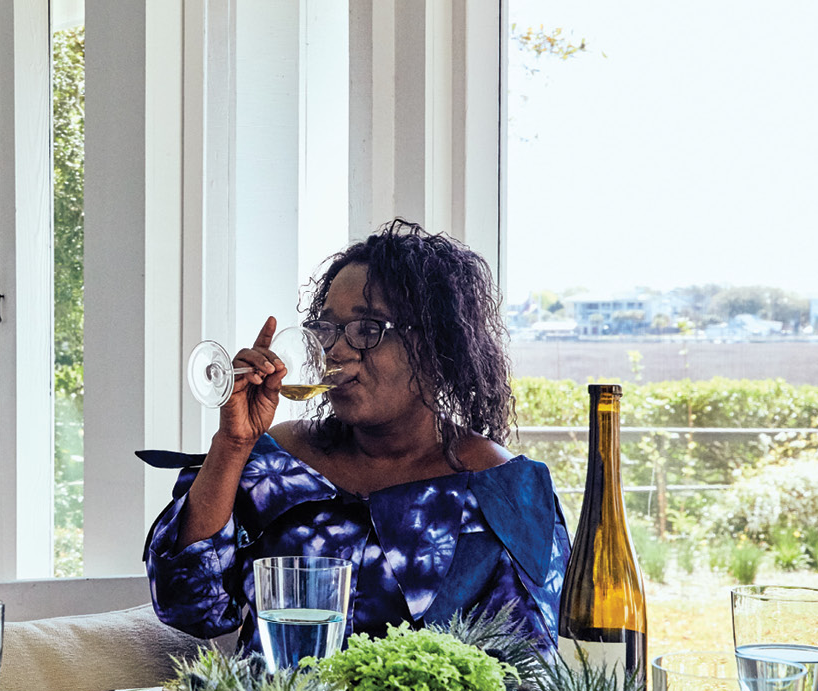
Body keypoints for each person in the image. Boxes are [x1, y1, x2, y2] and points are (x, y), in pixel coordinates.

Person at [143, 219, 570, 657]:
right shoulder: (277, 464)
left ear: (438, 347)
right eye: (327, 328)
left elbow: (524, 670)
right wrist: (232, 445)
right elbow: (188, 609)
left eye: (369, 329)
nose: (336, 351)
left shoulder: (502, 491)